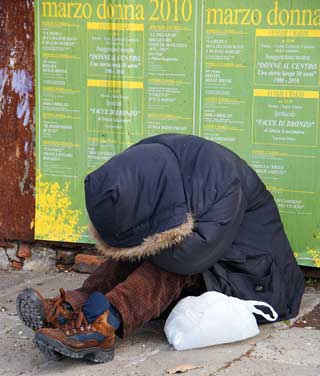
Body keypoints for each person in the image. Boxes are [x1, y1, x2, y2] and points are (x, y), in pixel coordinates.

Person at [17, 134, 305, 363]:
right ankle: (72, 307)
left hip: (257, 277)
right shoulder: (150, 163)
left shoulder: (220, 181)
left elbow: (193, 257)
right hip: (223, 258)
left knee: (167, 263)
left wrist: (142, 249)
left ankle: (104, 325)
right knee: (134, 248)